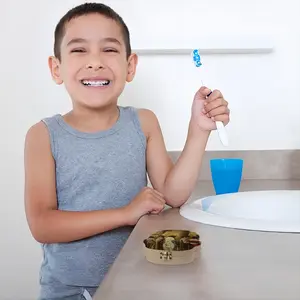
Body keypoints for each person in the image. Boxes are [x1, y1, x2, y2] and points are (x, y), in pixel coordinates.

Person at [24, 2, 230, 300]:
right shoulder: (43, 136)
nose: (95, 62)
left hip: (136, 284)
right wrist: (124, 214)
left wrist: (198, 130)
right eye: (79, 50)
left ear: (129, 65)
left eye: (108, 49)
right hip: (70, 291)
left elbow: (172, 195)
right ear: (56, 69)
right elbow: (43, 225)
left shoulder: (143, 123)